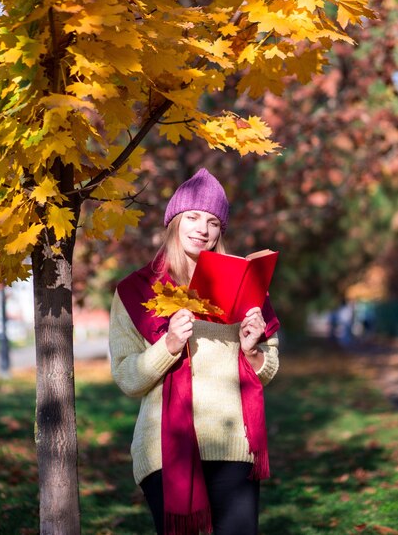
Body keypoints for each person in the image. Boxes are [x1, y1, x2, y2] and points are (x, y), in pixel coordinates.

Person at [109, 168, 280, 535]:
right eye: (193, 217)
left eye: (213, 222)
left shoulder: (243, 282)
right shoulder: (135, 291)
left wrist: (251, 352)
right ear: (174, 220)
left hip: (232, 442)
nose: (202, 228)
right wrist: (168, 345)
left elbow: (270, 365)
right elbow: (127, 378)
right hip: (165, 449)